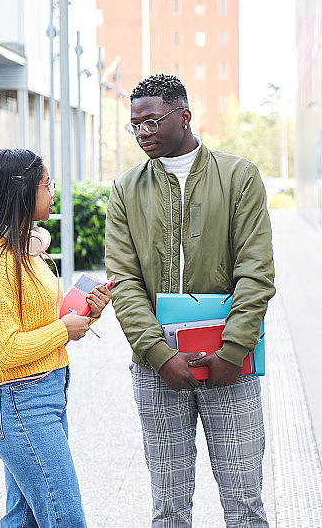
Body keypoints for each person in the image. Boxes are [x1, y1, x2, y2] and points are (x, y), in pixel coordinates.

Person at [105, 74, 275, 527]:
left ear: (184, 116)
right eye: (134, 124)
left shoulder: (238, 176)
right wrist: (159, 355)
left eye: (151, 121)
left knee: (245, 505)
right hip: (157, 368)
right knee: (169, 509)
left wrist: (233, 351)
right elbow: (124, 282)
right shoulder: (126, 188)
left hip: (231, 365)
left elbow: (256, 272)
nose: (142, 132)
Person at [0, 148, 113, 528]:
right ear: (22, 190)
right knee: (65, 518)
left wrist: (85, 313)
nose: (53, 191)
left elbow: (37, 322)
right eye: (47, 184)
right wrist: (63, 330)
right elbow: (2, 350)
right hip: (20, 403)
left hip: (41, 396)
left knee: (23, 519)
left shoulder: (26, 252)